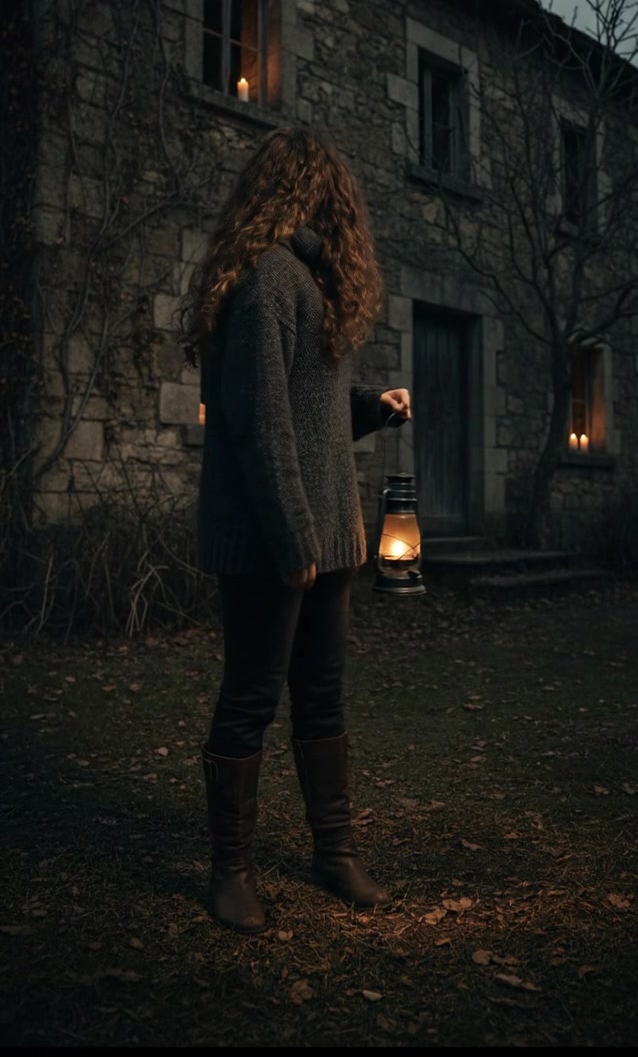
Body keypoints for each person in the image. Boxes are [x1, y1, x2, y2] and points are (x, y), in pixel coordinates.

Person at [177, 126, 412, 934]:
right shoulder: (268, 279)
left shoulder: (306, 278)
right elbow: (257, 425)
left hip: (326, 539)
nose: (343, 207)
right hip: (278, 542)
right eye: (333, 190)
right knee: (251, 698)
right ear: (309, 190)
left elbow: (308, 416)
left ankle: (333, 850)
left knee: (320, 693)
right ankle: (230, 869)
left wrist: (371, 405)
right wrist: (290, 542)